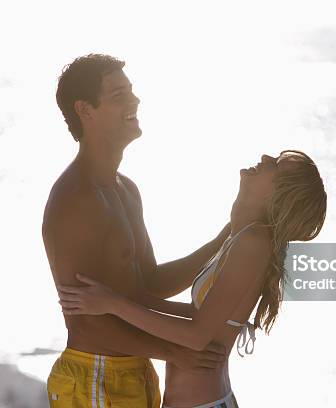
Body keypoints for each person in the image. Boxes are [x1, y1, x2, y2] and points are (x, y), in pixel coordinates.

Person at [57, 150, 328, 407]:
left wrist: (114, 304)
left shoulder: (254, 243)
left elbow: (196, 336)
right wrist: (134, 300)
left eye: (277, 165)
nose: (267, 158)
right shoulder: (243, 238)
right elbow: (199, 316)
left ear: (279, 195)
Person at [43, 53, 230, 408]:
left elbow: (151, 284)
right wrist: (174, 350)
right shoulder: (75, 199)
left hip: (134, 370)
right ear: (85, 110)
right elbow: (86, 325)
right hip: (94, 377)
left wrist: (223, 241)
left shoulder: (125, 189)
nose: (135, 100)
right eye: (119, 95)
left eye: (131, 91)